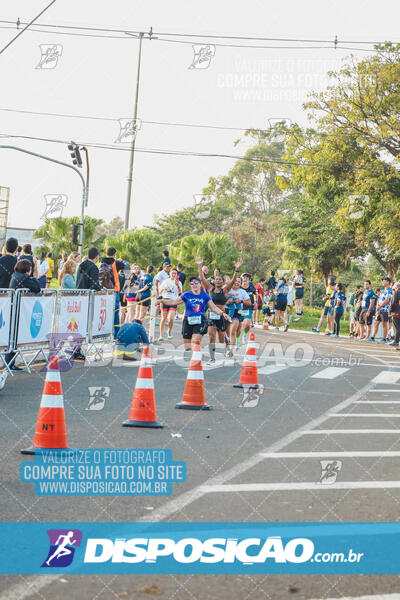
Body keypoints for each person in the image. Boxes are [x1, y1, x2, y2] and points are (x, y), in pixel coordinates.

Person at [156, 276, 231, 352]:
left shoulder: (205, 296)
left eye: (196, 283)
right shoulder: (186, 294)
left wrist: (222, 313)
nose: (194, 285)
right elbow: (174, 302)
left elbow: (213, 307)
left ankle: (196, 359)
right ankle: (194, 357)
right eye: (192, 283)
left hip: (200, 320)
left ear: (200, 284)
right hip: (188, 320)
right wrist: (161, 301)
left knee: (195, 341)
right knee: (187, 347)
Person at [197, 257, 242, 364]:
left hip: (222, 315)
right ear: (214, 281)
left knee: (221, 339)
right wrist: (199, 265)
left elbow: (233, 281)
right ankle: (212, 358)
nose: (218, 281)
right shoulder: (210, 288)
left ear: (222, 282)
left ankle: (227, 343)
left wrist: (236, 270)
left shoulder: (225, 290)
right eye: (216, 279)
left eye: (220, 280)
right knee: (211, 336)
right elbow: (202, 279)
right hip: (212, 315)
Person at [5, 260, 41, 371]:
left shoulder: (16, 275)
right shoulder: (23, 278)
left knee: (14, 338)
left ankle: (10, 363)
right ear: (27, 269)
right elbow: (37, 287)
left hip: (15, 310)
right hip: (16, 311)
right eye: (30, 269)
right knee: (14, 338)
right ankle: (8, 363)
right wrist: (34, 277)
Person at [226, 276, 252, 354]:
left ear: (241, 284)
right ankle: (228, 346)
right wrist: (228, 302)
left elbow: (249, 303)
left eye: (239, 282)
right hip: (226, 311)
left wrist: (241, 301)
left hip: (237, 312)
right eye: (235, 281)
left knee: (233, 330)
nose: (237, 283)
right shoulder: (227, 289)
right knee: (226, 332)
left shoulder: (242, 292)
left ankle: (231, 350)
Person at [158, 267, 182, 341]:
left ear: (176, 274)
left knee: (171, 317)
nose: (174, 274)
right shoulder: (166, 281)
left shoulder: (178, 282)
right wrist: (163, 289)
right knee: (163, 318)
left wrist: (177, 285)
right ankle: (161, 335)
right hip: (165, 300)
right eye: (172, 273)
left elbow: (180, 292)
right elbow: (159, 291)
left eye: (175, 273)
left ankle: (169, 331)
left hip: (173, 301)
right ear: (170, 273)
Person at [368, 277, 393, 343]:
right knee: (376, 323)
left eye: (384, 281)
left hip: (385, 310)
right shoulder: (382, 291)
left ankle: (384, 339)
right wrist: (377, 307)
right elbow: (379, 299)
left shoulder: (390, 291)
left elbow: (387, 300)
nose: (383, 282)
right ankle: (372, 337)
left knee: (384, 324)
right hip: (379, 310)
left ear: (388, 282)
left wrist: (381, 306)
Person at [240, 273, 257, 345]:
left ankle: (244, 335)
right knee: (236, 326)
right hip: (239, 308)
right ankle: (236, 339)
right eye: (244, 277)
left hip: (248, 308)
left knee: (247, 324)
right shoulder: (238, 287)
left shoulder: (251, 287)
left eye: (247, 277)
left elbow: (255, 294)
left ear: (249, 279)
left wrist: (255, 302)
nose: (245, 278)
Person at [389, 282, 400, 348]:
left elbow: (394, 302)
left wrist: (391, 310)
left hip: (396, 313)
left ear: (396, 286)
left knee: (396, 328)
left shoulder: (397, 292)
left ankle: (396, 341)